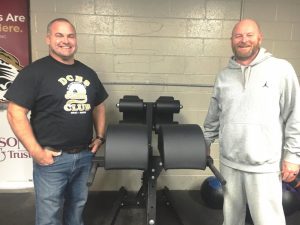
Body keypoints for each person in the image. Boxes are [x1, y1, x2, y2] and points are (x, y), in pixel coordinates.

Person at [4, 18, 108, 225]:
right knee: (49, 214)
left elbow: (99, 106)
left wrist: (100, 137)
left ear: (76, 40)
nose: (66, 41)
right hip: (52, 159)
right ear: (48, 39)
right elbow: (15, 112)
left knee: (77, 206)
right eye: (59, 35)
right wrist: (36, 152)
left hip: (84, 155)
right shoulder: (34, 72)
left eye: (70, 35)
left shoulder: (87, 73)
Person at [203, 19, 300, 225]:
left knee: (268, 221)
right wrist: (204, 142)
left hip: (264, 165)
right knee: (231, 220)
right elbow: (214, 115)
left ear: (259, 38)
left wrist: (293, 155)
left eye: (249, 35)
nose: (243, 40)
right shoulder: (223, 76)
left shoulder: (281, 70)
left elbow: (294, 114)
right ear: (231, 40)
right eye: (238, 36)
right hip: (230, 162)